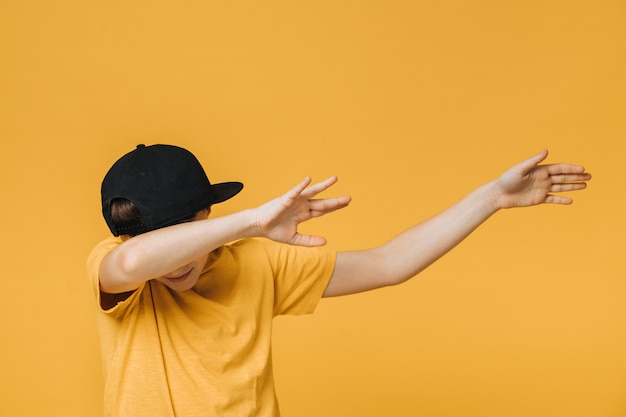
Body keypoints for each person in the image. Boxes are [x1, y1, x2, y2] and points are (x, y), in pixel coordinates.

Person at [87, 143, 590, 417]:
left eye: (188, 228)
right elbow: (133, 266)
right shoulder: (115, 264)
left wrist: (490, 199)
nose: (177, 262)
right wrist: (253, 221)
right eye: (157, 237)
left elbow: (389, 263)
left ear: (206, 214)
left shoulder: (256, 264)